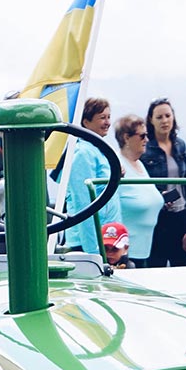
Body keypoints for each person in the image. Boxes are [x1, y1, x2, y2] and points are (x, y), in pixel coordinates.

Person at [139, 98, 186, 268]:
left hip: (181, 214)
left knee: (182, 264)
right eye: (159, 117)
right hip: (158, 214)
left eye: (168, 116)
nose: (164, 121)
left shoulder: (180, 145)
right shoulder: (145, 148)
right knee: (156, 263)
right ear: (151, 120)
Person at [62, 95, 115, 254]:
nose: (107, 122)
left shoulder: (99, 150)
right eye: (102, 118)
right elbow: (83, 202)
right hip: (87, 242)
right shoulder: (83, 154)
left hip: (106, 236)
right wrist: (93, 250)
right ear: (86, 122)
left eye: (108, 117)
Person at [109, 114, 163, 257]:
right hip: (123, 252)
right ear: (126, 138)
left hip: (145, 249)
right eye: (142, 136)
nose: (147, 140)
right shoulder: (116, 164)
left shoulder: (139, 164)